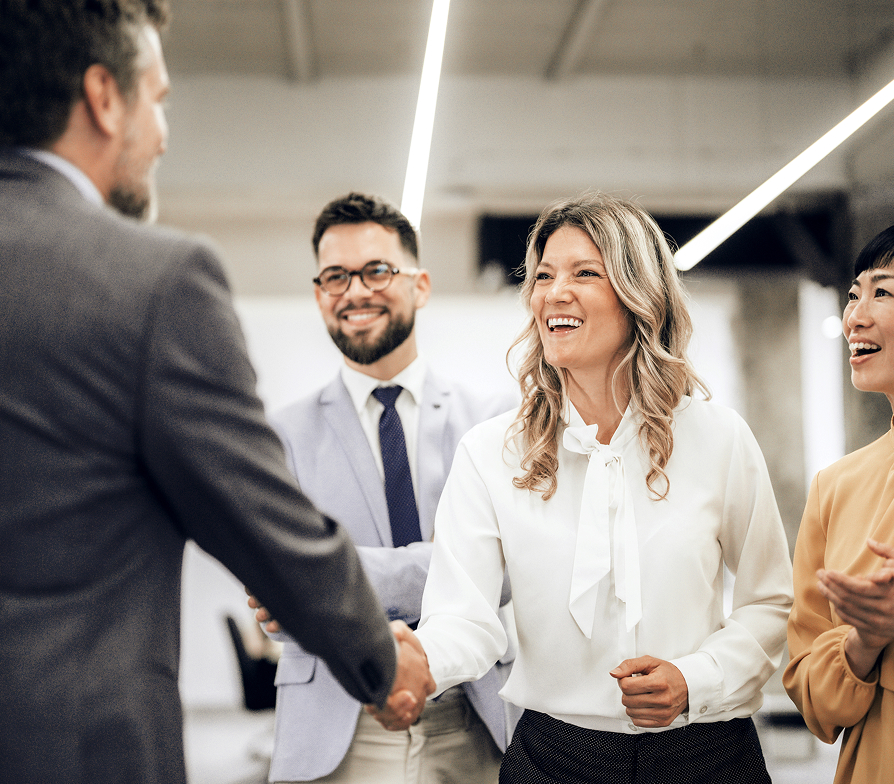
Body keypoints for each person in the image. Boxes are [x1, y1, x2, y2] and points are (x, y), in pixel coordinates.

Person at [0, 4, 432, 783]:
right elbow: (269, 531)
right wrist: (382, 663)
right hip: (71, 751)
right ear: (104, 98)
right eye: (157, 100)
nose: (162, 134)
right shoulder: (150, 282)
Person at [377, 192, 794, 783]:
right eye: (543, 276)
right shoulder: (492, 453)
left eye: (584, 273)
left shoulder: (719, 438)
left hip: (706, 755)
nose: (554, 292)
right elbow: (464, 617)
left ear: (637, 294)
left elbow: (768, 602)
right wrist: (421, 660)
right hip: (553, 758)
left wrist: (693, 679)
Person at [249, 192, 515, 784]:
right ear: (320, 294)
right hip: (339, 728)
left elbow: (505, 571)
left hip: (477, 716)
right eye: (335, 277)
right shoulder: (281, 437)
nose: (354, 292)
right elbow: (279, 600)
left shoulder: (493, 420)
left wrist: (336, 572)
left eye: (376, 270)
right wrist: (447, 568)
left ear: (420, 285)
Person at [784, 218, 894, 784]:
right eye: (854, 294)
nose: (855, 315)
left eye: (883, 291)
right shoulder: (836, 486)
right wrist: (865, 640)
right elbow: (813, 698)